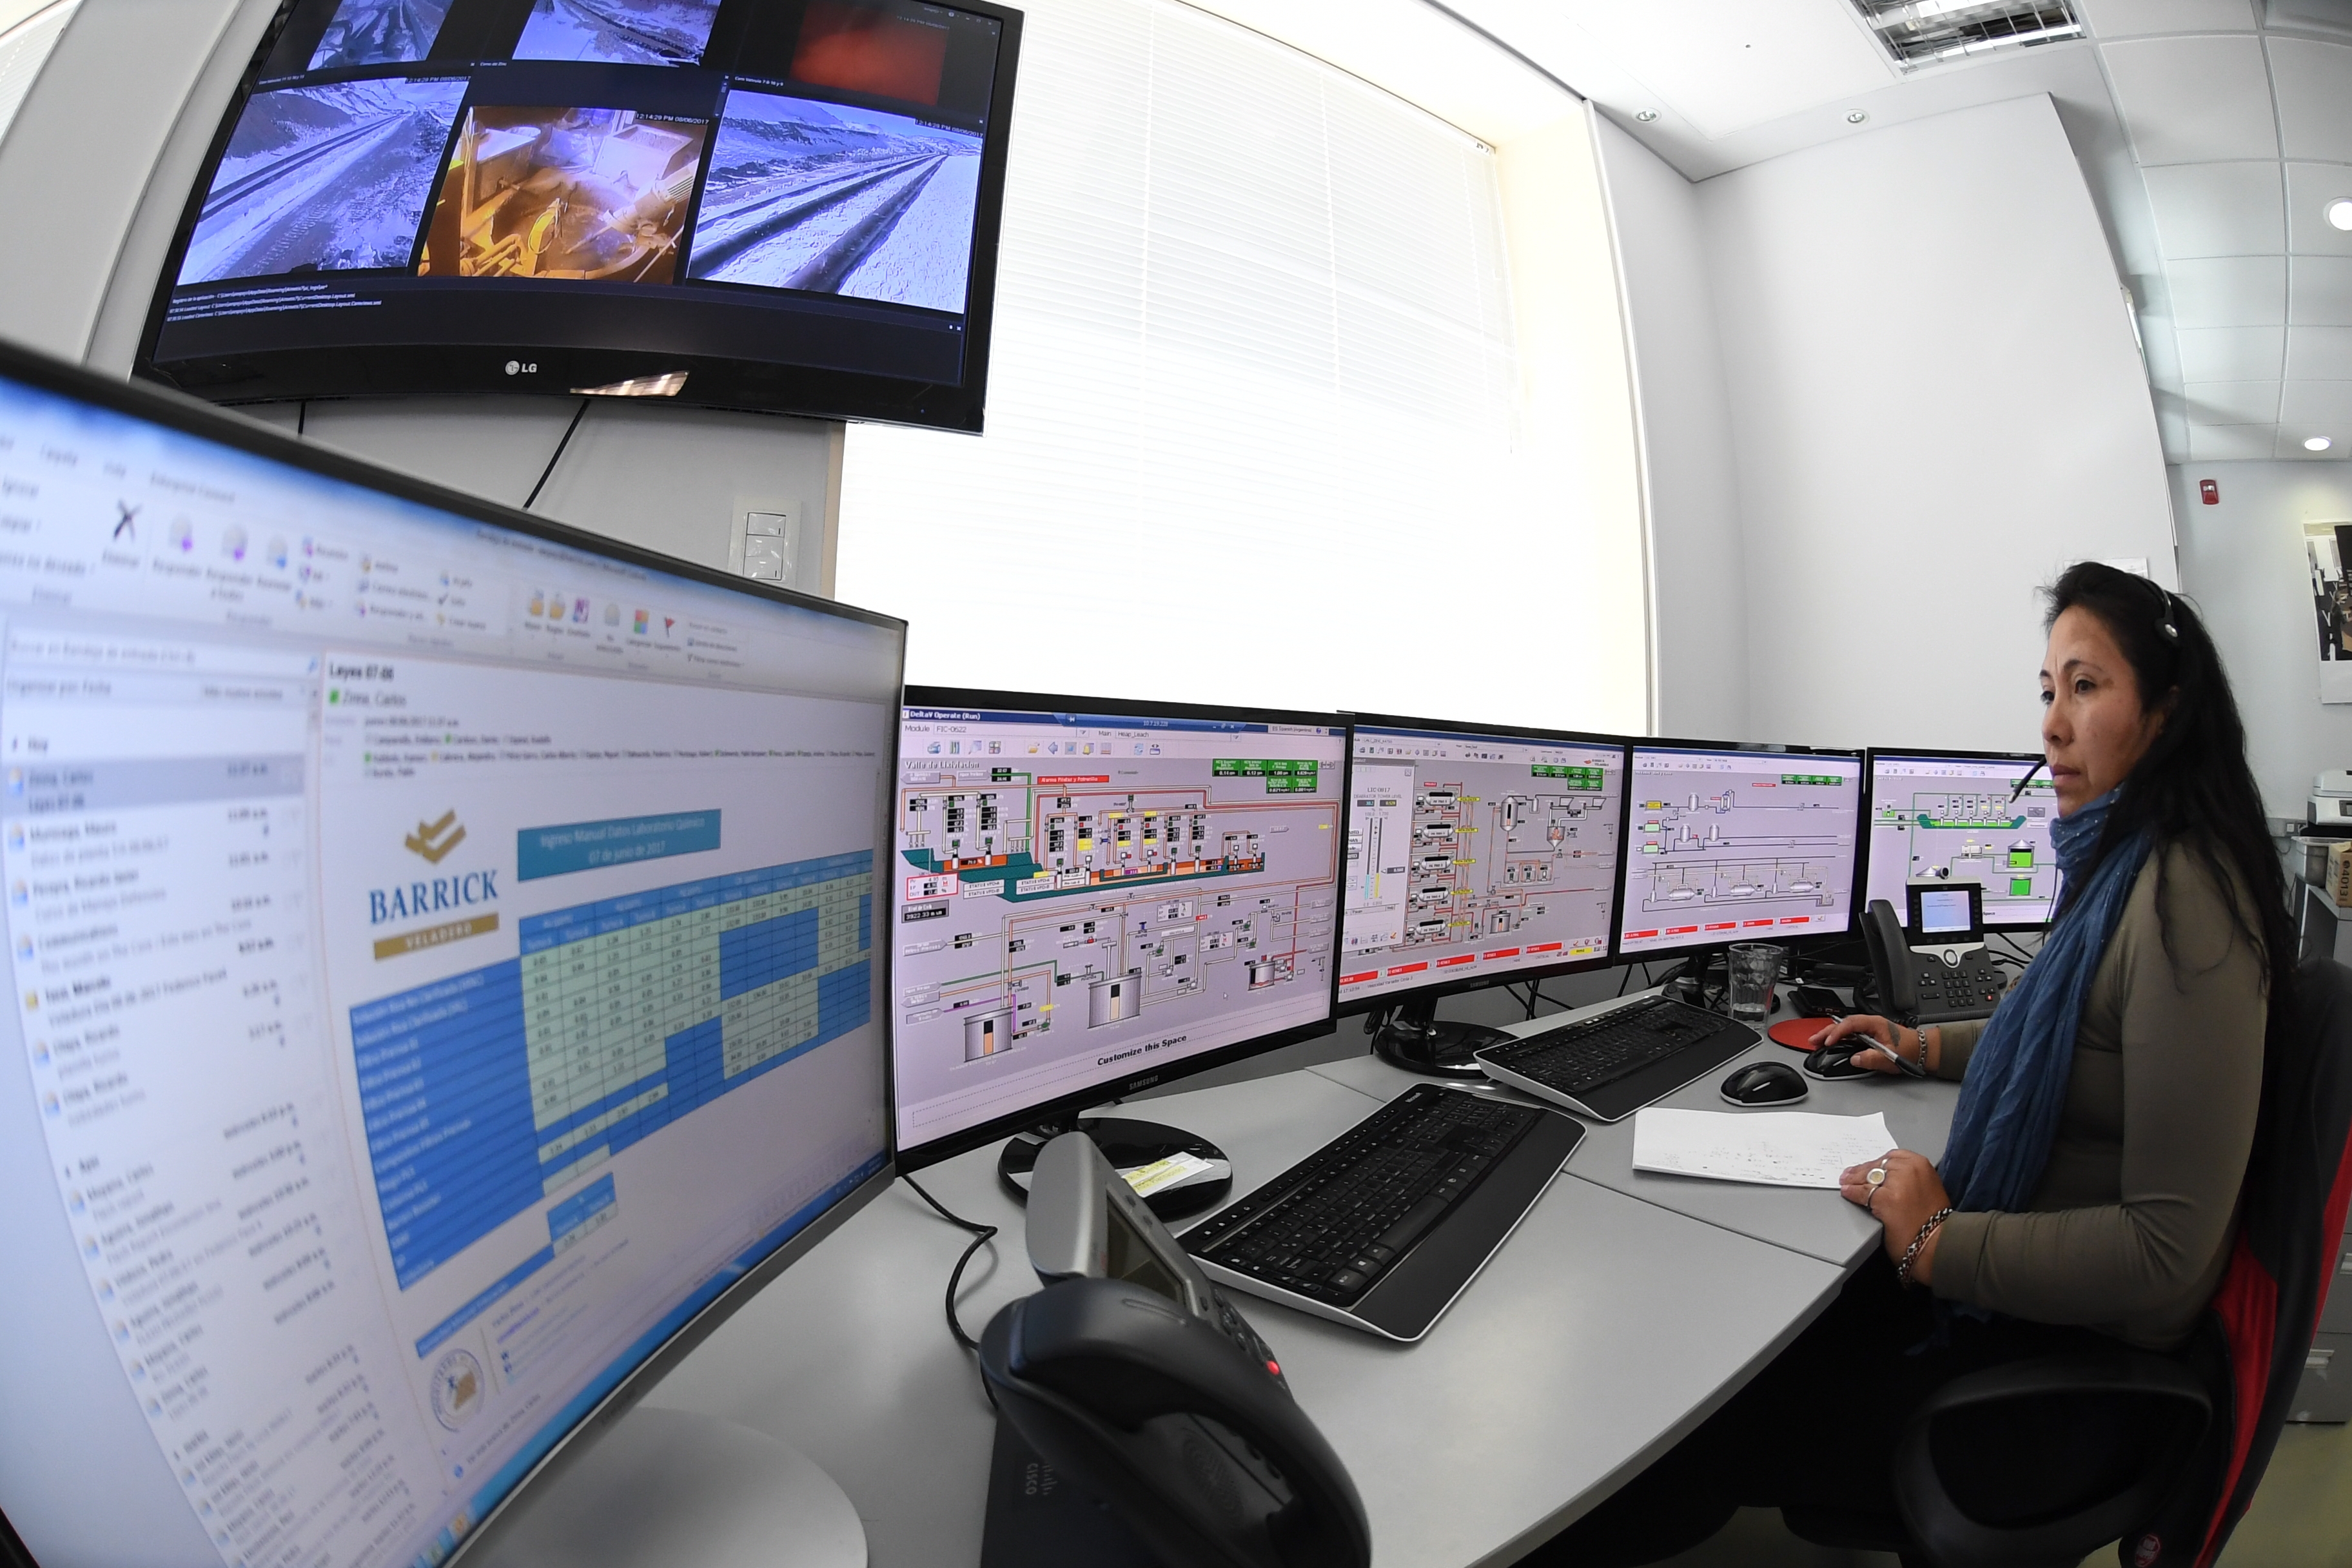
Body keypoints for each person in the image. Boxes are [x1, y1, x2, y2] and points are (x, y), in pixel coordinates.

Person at [1532, 562, 2298, 1565]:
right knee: (1733, 1332)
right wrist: (1921, 1045)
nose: (2053, 725)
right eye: (2048, 690)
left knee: (1692, 1415)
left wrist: (1936, 1243)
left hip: (2062, 1368)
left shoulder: (2185, 904)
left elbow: (2166, 1259)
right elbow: (2062, 1037)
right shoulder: (2127, 865)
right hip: (2021, 1305)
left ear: (2167, 711)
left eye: (2086, 686)